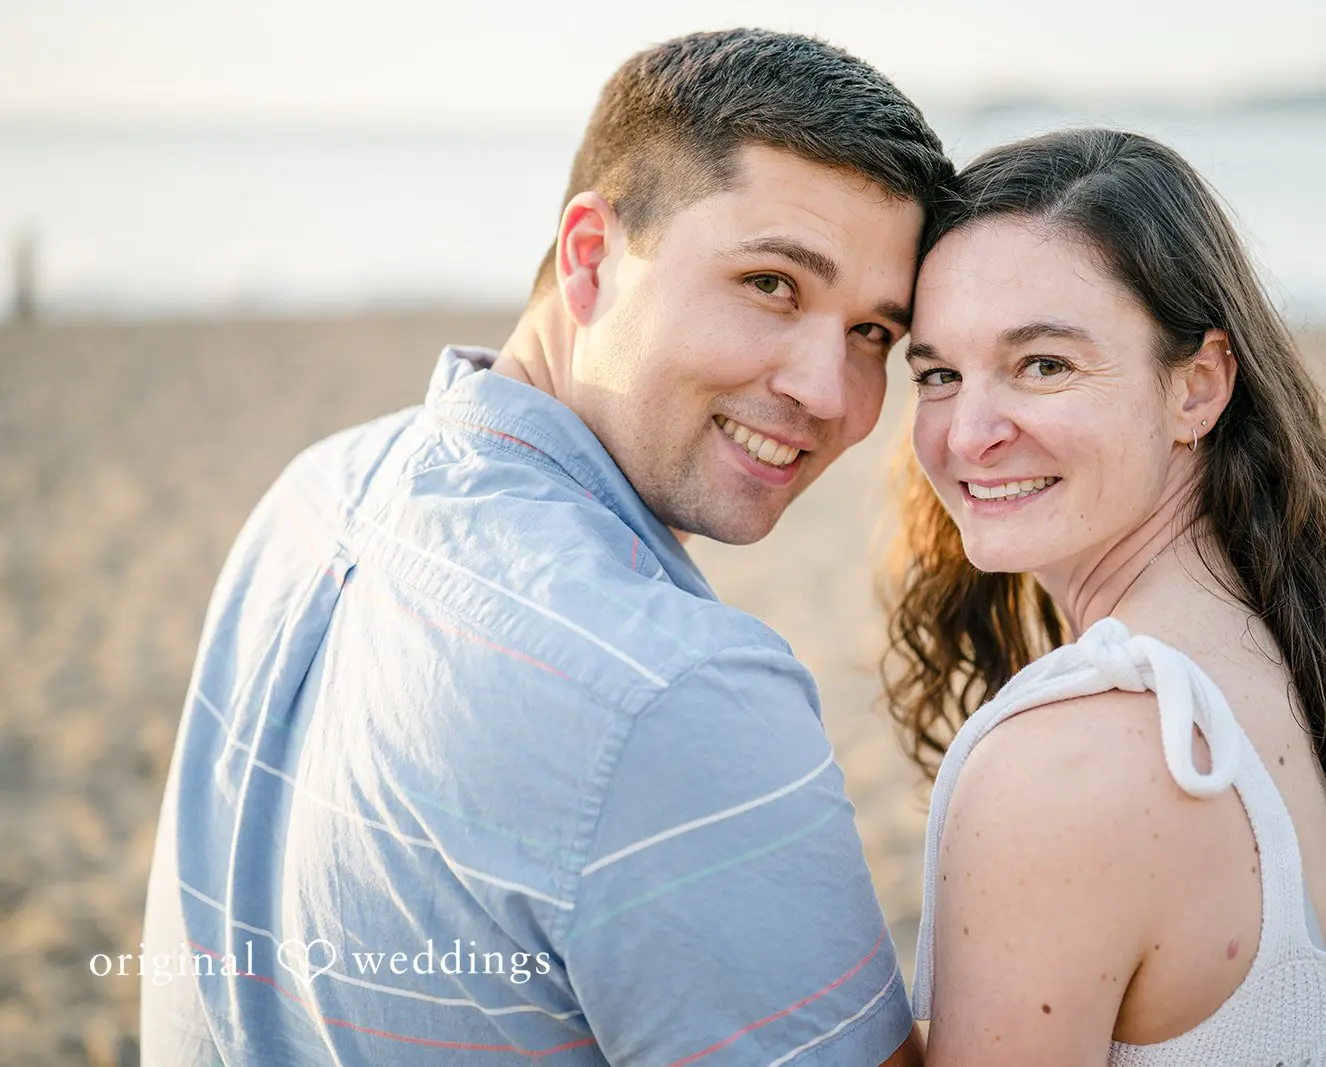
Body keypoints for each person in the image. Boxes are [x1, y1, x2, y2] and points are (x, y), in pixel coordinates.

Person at [142, 29, 954, 1065]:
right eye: (771, 284)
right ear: (589, 257)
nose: (830, 392)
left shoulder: (315, 492)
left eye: (874, 332)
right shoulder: (672, 689)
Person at [882, 128, 1326, 1065]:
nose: (968, 434)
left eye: (1044, 364)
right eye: (938, 375)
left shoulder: (1063, 770)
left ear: (1198, 387)